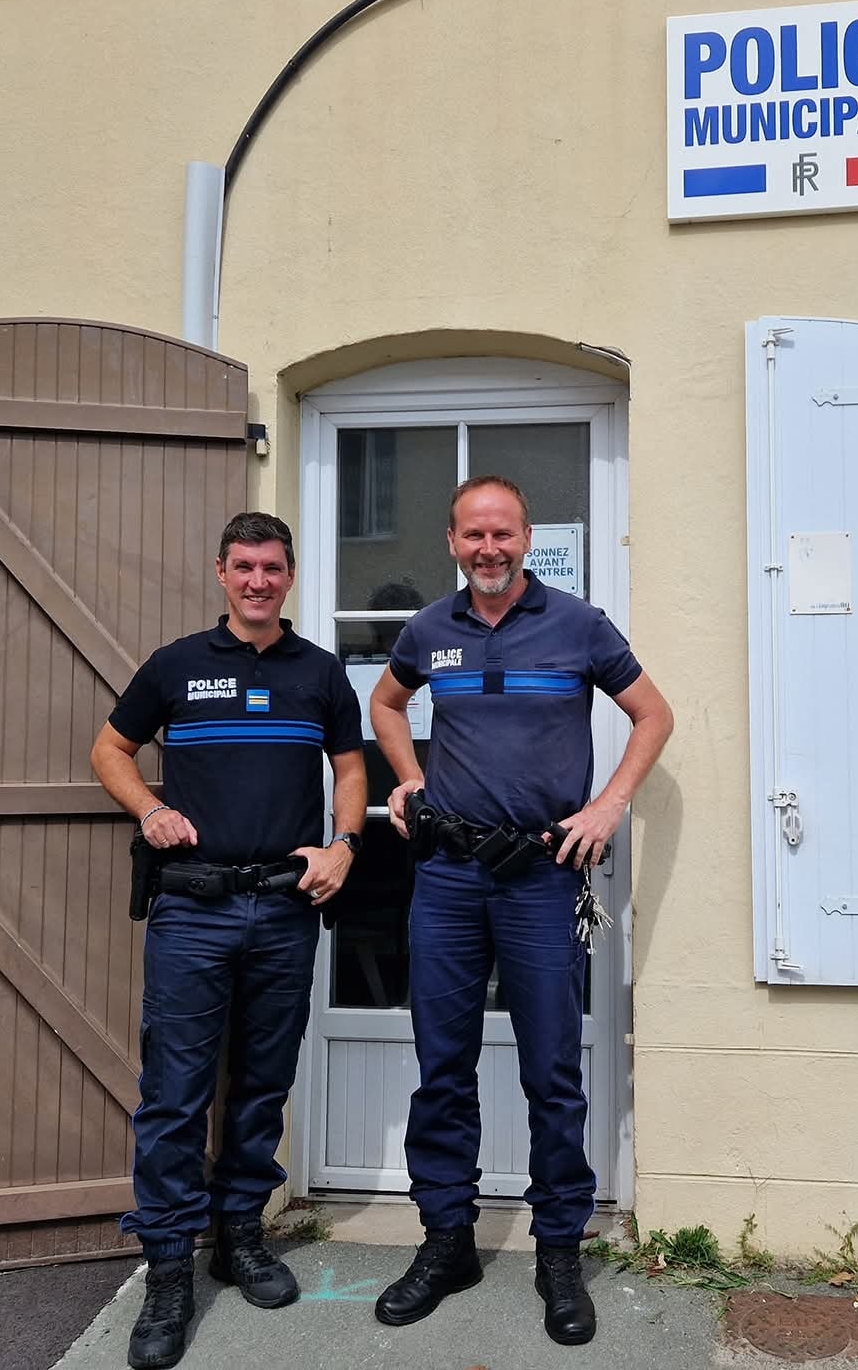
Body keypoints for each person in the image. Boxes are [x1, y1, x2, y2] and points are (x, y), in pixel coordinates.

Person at [368, 476, 674, 1347]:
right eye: (473, 536)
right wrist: (410, 779)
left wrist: (608, 804)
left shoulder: (577, 624)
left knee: (552, 1071)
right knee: (444, 1066)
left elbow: (652, 715)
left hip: (542, 877)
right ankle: (447, 1241)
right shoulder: (430, 628)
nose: (489, 549)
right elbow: (386, 704)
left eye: (502, 534)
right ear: (453, 541)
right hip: (450, 879)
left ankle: (557, 1250)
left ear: (526, 537)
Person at [91, 511, 365, 1370]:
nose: (258, 581)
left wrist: (343, 845)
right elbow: (110, 747)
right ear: (221, 573)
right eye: (243, 567)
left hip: (285, 907)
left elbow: (352, 769)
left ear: (290, 576)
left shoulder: (319, 673)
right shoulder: (176, 666)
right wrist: (151, 808)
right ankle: (170, 1267)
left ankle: (239, 1234)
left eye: (272, 568)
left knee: (260, 1083)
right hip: (194, 910)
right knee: (175, 1091)